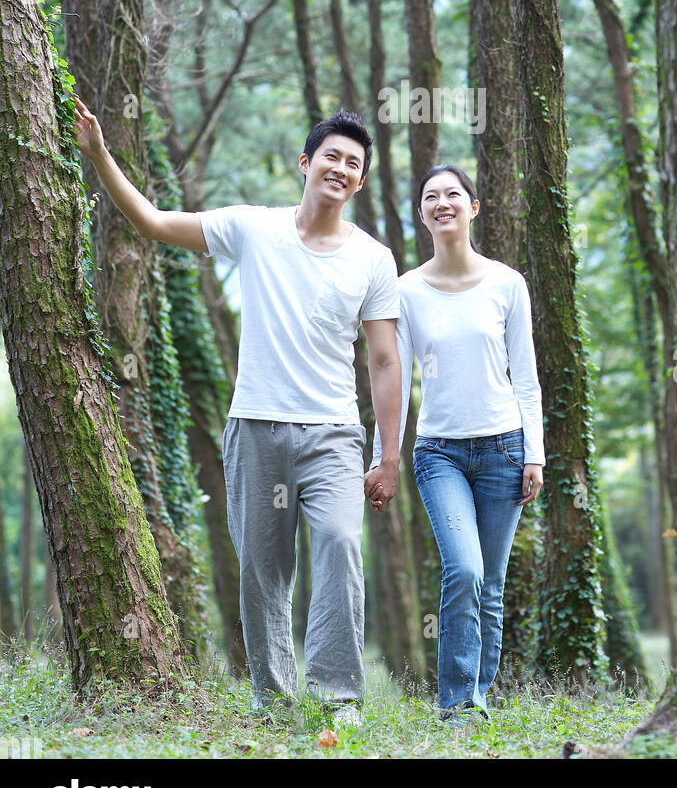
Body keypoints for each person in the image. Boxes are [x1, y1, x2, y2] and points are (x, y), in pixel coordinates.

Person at [73, 99, 402, 722]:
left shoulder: (373, 258)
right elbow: (152, 222)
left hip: (334, 433)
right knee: (262, 566)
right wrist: (100, 154)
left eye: (353, 163)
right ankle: (273, 699)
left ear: (360, 180)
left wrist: (389, 456)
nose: (340, 167)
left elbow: (384, 361)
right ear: (306, 163)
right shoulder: (254, 228)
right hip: (255, 429)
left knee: (338, 544)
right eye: (331, 155)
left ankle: (338, 698)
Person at [366, 165, 545, 720]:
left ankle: (477, 698)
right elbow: (389, 375)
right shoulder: (406, 290)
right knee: (463, 569)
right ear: (421, 215)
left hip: (504, 450)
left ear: (473, 207)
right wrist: (383, 458)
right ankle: (455, 704)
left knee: (490, 585)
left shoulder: (507, 283)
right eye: (430, 197)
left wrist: (535, 451)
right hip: (439, 452)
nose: (442, 203)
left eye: (453, 195)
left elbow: (527, 376)